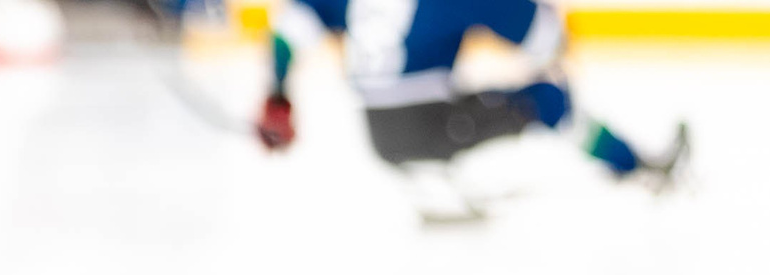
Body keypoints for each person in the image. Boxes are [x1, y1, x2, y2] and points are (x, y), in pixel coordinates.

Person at [251, 0, 685, 197]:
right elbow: (544, 39)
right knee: (551, 99)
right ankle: (632, 165)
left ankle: (430, 183)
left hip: (377, 134)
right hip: (432, 125)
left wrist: (277, 94)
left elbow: (292, 25)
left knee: (469, 103)